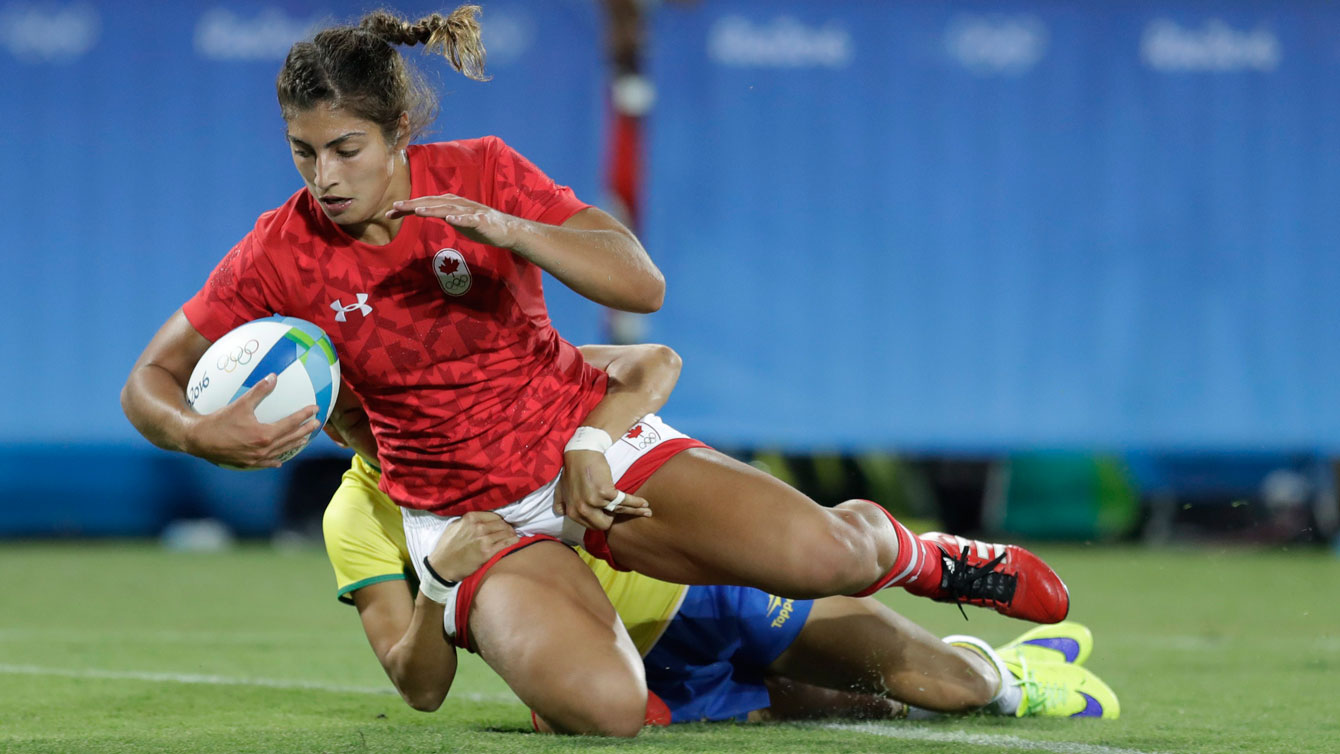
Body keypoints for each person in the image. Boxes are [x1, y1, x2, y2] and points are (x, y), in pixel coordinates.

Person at [120, 6, 1069, 736]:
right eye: (302, 153)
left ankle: (928, 557)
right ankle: (682, 672)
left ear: (398, 127)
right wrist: (199, 432)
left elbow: (642, 287)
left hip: (591, 448)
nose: (323, 178)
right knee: (609, 714)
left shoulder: (488, 173)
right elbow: (149, 381)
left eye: (344, 149)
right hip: (474, 518)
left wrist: (505, 229)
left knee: (835, 559)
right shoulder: (277, 253)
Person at [324, 344, 1119, 726]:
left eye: (380, 397)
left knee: (953, 689)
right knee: (851, 709)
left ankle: (975, 632)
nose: (379, 420)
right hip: (637, 665)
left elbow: (651, 360)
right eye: (351, 414)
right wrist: (438, 583)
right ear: (327, 423)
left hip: (707, 581)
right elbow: (419, 684)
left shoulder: (497, 386)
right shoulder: (355, 518)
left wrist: (591, 448)